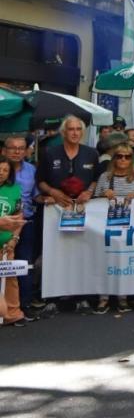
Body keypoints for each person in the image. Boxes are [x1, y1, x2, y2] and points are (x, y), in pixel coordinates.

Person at [37, 114, 101, 312]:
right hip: (56, 211)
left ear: (83, 132)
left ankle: (81, 297)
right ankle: (52, 297)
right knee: (54, 254)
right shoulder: (49, 152)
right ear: (64, 132)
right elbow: (40, 181)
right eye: (71, 129)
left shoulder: (91, 153)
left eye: (78, 129)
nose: (75, 133)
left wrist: (89, 191)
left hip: (82, 211)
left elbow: (96, 179)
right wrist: (53, 192)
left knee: (82, 253)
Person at [91, 140, 134, 314]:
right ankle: (103, 298)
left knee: (126, 261)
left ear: (131, 159)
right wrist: (104, 194)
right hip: (107, 225)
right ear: (113, 159)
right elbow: (94, 202)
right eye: (119, 156)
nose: (123, 159)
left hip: (131, 227)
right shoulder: (105, 177)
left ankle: (123, 298)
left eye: (127, 157)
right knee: (106, 261)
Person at [3, 135, 37, 320]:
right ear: (4, 150)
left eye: (21, 148)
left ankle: (24, 304)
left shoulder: (32, 169)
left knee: (24, 263)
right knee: (5, 265)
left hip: (26, 222)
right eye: (12, 148)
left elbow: (35, 195)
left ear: (25, 151)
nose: (17, 151)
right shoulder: (1, 170)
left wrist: (51, 197)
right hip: (3, 223)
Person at [0, 158, 24, 326]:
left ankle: (12, 314)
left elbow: (19, 217)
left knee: (10, 278)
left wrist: (14, 239)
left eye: (5, 170)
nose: (1, 173)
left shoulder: (15, 190)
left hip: (6, 244)